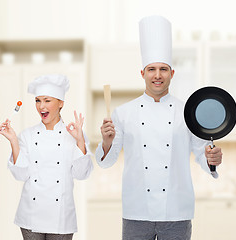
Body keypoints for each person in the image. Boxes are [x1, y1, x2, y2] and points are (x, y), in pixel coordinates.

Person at [95, 15, 223, 240]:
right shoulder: (123, 112)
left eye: (163, 69)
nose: (157, 75)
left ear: (172, 74)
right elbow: (107, 161)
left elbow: (203, 154)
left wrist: (212, 159)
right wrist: (106, 143)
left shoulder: (188, 112)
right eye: (151, 69)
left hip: (176, 211)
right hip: (137, 211)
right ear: (142, 73)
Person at [0, 74, 93, 240]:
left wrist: (79, 140)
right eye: (38, 100)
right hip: (31, 216)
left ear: (61, 103)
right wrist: (13, 140)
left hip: (61, 217)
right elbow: (21, 175)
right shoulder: (27, 135)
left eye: (47, 100)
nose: (41, 106)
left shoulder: (74, 134)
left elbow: (81, 174)